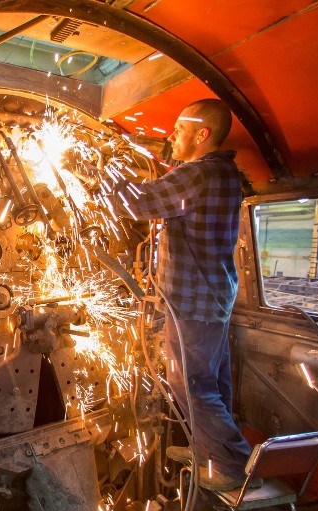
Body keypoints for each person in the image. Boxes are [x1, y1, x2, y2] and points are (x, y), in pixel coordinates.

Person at [116, 98, 253, 491]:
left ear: (203, 134)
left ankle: (232, 464)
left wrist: (105, 173)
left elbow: (135, 203)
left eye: (179, 127)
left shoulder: (198, 174)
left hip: (193, 302)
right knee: (214, 383)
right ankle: (212, 451)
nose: (171, 134)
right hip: (214, 298)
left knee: (190, 386)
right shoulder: (225, 172)